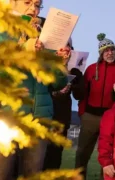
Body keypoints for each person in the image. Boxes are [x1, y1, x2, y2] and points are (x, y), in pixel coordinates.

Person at [0, 0, 68, 179]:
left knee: (32, 173)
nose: (33, 9)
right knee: (0, 174)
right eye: (27, 3)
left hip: (40, 117)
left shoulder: (46, 37)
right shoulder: (2, 30)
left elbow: (57, 84)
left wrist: (60, 63)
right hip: (7, 115)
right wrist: (25, 49)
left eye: (38, 5)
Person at [75, 33, 115, 179]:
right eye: (106, 51)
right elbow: (83, 92)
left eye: (112, 50)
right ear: (101, 54)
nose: (109, 53)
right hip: (90, 116)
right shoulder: (91, 69)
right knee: (82, 152)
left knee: (108, 154)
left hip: (111, 118)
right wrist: (82, 112)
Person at [43, 38, 85, 170]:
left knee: (55, 156)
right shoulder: (46, 65)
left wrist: (76, 78)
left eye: (68, 46)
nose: (65, 49)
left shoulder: (73, 69)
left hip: (62, 116)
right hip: (45, 115)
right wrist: (56, 91)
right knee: (40, 156)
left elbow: (79, 95)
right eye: (62, 46)